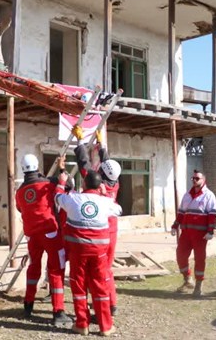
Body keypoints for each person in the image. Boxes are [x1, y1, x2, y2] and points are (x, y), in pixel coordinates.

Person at [55, 169, 121, 337]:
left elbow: (57, 197)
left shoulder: (73, 199)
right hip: (99, 253)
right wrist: (105, 195)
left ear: (83, 184)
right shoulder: (105, 202)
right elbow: (118, 210)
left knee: (79, 287)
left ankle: (82, 324)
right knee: (100, 287)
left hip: (78, 252)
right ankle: (105, 326)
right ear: (100, 186)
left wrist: (61, 183)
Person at [14, 154, 70, 327]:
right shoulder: (49, 184)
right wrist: (62, 168)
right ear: (37, 165)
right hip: (50, 232)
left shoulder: (19, 192)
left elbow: (20, 208)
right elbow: (67, 186)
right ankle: (58, 311)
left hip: (32, 235)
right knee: (56, 270)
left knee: (33, 267)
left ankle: (28, 305)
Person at [72, 126, 122, 315]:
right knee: (106, 268)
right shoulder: (114, 182)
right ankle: (111, 303)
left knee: (93, 270)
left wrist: (80, 142)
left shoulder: (96, 182)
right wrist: (101, 146)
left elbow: (83, 163)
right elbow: (108, 164)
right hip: (111, 228)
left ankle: (99, 305)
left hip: (97, 229)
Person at [171, 170, 216, 297]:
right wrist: (175, 225)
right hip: (186, 232)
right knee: (180, 255)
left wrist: (210, 231)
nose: (194, 180)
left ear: (203, 180)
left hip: (200, 234)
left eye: (197, 178)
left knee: (200, 259)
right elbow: (181, 212)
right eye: (193, 178)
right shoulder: (187, 195)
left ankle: (198, 285)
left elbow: (212, 215)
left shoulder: (209, 195)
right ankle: (187, 279)